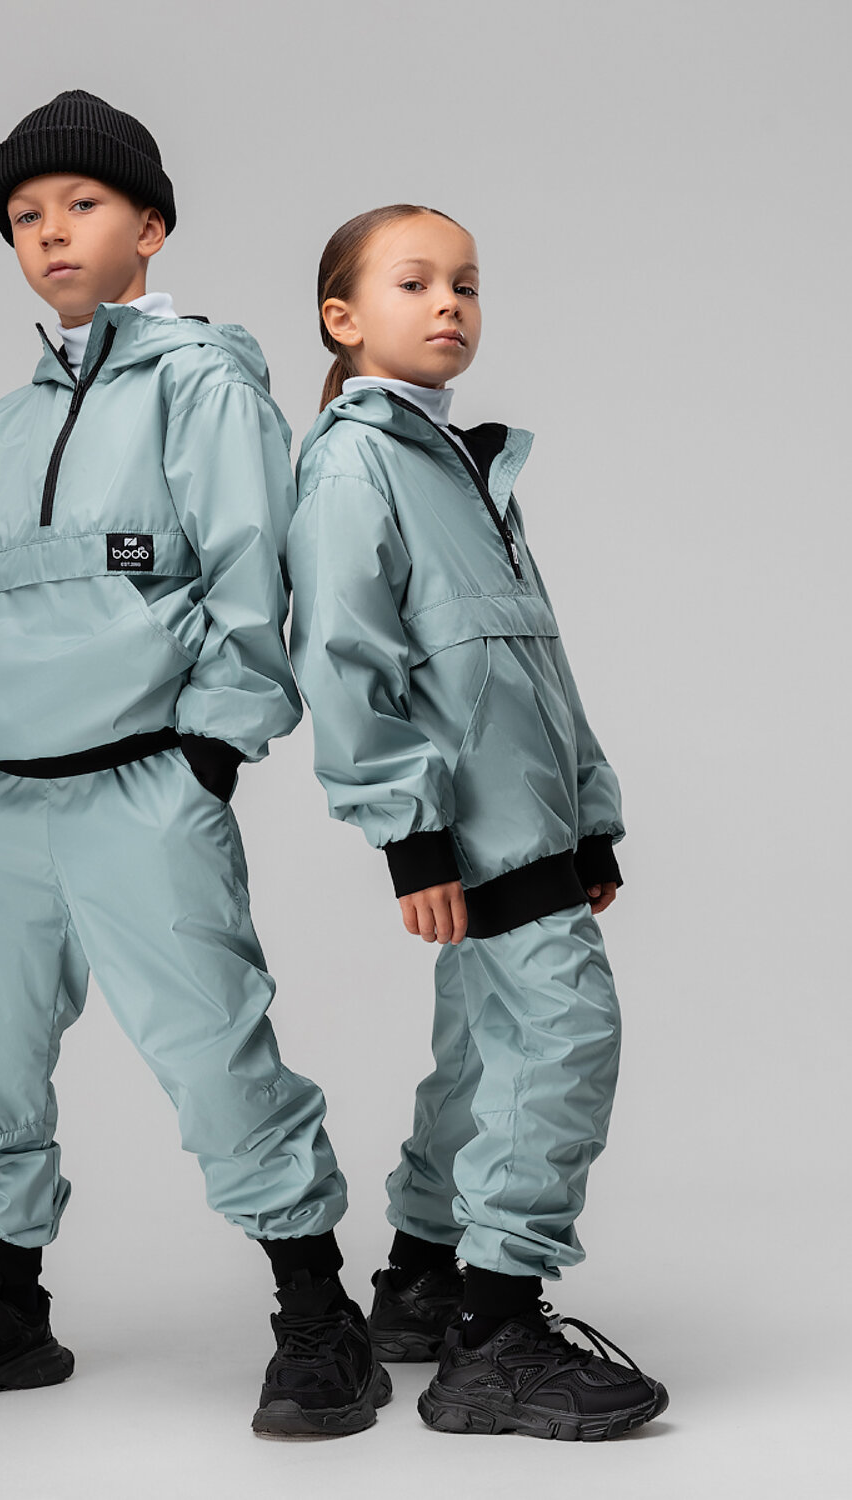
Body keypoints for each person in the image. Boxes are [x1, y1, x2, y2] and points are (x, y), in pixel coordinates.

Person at [0, 91, 390, 1439]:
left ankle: (317, 1311)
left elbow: (251, 568)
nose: (51, 232)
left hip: (141, 776)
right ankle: (5, 1302)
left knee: (213, 1043)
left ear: (150, 225)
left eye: (82, 204)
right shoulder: (9, 417)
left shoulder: (205, 383)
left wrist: (211, 746)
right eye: (25, 216)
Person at [287, 203, 668, 1440]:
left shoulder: (464, 465)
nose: (450, 301)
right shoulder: (355, 465)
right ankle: (496, 1334)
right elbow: (343, 658)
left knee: (481, 1048)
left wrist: (590, 817)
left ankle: (421, 1275)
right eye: (414, 282)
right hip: (469, 826)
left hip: (528, 818)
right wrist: (411, 837)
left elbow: (535, 661)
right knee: (563, 1038)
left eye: (467, 282)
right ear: (344, 319)